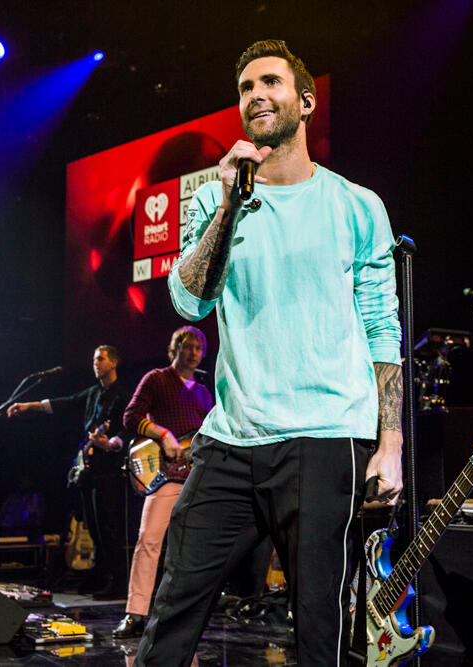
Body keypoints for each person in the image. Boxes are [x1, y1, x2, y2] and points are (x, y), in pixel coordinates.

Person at [134, 40, 404, 666]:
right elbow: (188, 302)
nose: (255, 94)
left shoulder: (358, 207)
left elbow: (382, 331)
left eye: (271, 83)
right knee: (173, 607)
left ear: (304, 102)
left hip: (324, 436)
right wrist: (230, 202)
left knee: (318, 625)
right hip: (231, 439)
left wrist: (389, 446)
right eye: (246, 87)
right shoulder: (215, 199)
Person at [113, 326, 214, 638]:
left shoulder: (205, 392)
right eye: (188, 346)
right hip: (165, 476)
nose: (194, 352)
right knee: (149, 540)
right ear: (175, 348)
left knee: (192, 549)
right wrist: (162, 433)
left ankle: (183, 614)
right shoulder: (156, 378)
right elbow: (130, 417)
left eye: (199, 348)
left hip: (196, 477)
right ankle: (135, 613)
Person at [7, 345, 130, 596]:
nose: (95, 364)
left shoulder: (123, 395)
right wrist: (28, 406)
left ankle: (118, 581)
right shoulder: (93, 393)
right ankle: (98, 575)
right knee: (93, 527)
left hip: (110, 469)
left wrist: (112, 443)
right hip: (90, 468)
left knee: (108, 526)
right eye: (94, 359)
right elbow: (62, 404)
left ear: (114, 362)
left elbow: (128, 428)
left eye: (101, 359)